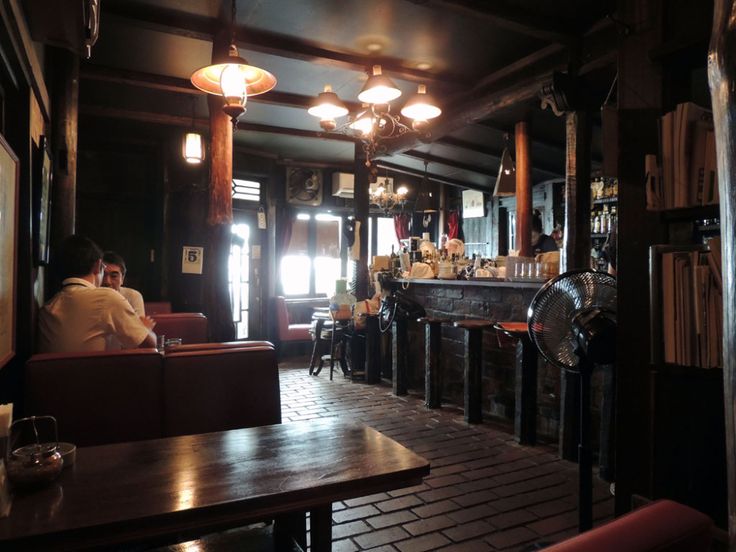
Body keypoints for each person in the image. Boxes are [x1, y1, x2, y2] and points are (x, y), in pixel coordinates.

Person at [38, 235, 157, 353]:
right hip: (97, 372)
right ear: (97, 266)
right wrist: (145, 328)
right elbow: (149, 345)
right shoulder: (106, 298)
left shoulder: (47, 308)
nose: (106, 281)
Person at [102, 251, 145, 316]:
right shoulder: (87, 297)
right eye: (102, 275)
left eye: (114, 276)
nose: (107, 281)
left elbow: (138, 325)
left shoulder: (132, 296)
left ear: (122, 278)